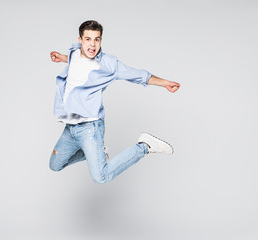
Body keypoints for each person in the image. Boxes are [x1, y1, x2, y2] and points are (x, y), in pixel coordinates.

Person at [49, 20, 180, 184]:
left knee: (101, 177)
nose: (92, 45)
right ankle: (97, 154)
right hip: (70, 129)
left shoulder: (107, 65)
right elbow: (76, 61)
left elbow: (138, 75)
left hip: (90, 128)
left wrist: (165, 83)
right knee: (55, 165)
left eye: (97, 39)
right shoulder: (74, 53)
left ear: (100, 40)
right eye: (88, 39)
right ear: (80, 40)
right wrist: (62, 58)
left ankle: (145, 146)